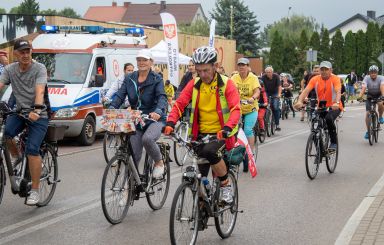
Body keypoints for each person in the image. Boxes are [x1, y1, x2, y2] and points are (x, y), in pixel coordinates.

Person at [164, 46, 241, 204]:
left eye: (206, 70)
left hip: (223, 133)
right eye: (199, 71)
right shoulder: (194, 84)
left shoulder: (227, 84)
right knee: (200, 178)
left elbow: (235, 109)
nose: (203, 74)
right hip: (199, 134)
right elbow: (179, 104)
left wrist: (227, 128)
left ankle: (226, 186)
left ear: (215, 66)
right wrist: (170, 122)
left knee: (211, 152)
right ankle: (201, 209)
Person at [0, 39, 50, 205]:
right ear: (15, 54)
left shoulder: (39, 68)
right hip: (20, 112)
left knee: (32, 149)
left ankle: (34, 190)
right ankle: (17, 156)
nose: (26, 55)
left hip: (39, 114)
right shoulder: (10, 69)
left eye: (28, 51)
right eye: (22, 52)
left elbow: (40, 90)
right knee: (5, 134)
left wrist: (36, 109)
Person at [110, 49, 168, 178]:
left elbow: (162, 97)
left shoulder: (156, 78)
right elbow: (120, 95)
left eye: (145, 60)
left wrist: (158, 111)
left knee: (147, 139)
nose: (141, 62)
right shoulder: (130, 78)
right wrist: (112, 108)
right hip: (137, 118)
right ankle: (127, 191)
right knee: (133, 155)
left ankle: (159, 162)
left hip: (154, 119)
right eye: (139, 60)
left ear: (151, 62)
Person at [294, 61, 342, 151]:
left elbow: (338, 91)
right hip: (321, 106)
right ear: (319, 70)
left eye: (326, 69)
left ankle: (333, 142)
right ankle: (319, 151)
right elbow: (306, 91)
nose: (324, 71)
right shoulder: (315, 79)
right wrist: (300, 101)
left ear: (331, 70)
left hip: (334, 106)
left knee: (328, 119)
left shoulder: (335, 79)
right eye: (322, 69)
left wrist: (337, 102)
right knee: (315, 126)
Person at [231, 57, 260, 156]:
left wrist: (253, 98)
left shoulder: (253, 78)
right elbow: (229, 90)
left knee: (247, 129)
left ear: (248, 67)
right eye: (239, 65)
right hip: (238, 108)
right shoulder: (234, 77)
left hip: (251, 108)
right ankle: (233, 149)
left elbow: (257, 91)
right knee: (232, 129)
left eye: (243, 65)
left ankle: (250, 153)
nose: (241, 67)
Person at [356, 65, 384, 139]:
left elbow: (382, 86)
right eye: (371, 72)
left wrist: (383, 95)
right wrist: (360, 96)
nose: (373, 74)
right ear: (369, 73)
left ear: (377, 73)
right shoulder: (366, 78)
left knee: (381, 103)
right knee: (368, 113)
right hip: (370, 95)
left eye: (375, 72)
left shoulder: (381, 78)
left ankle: (380, 117)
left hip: (379, 94)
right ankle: (368, 131)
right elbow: (364, 88)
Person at [261, 66, 282, 131]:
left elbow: (279, 86)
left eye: (269, 72)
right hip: (266, 92)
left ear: (272, 72)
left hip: (275, 93)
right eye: (267, 72)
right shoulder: (263, 77)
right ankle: (264, 122)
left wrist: (279, 94)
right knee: (264, 105)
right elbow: (261, 85)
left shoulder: (276, 76)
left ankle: (277, 124)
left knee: (275, 107)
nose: (268, 73)